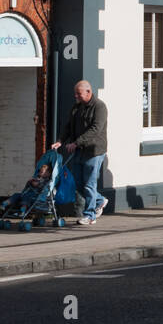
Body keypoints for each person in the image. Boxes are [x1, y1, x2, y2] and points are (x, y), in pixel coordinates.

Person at [52, 80, 108, 226]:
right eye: (75, 93)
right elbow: (69, 126)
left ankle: (90, 216)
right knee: (78, 183)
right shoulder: (77, 107)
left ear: (88, 92)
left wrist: (77, 142)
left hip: (94, 151)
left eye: (79, 93)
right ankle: (100, 200)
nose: (76, 96)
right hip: (79, 151)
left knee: (89, 184)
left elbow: (95, 129)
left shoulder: (99, 107)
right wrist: (61, 141)